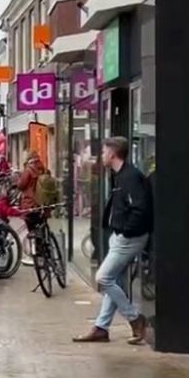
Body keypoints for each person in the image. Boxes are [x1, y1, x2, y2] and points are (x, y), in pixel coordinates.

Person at [73, 137, 151, 345]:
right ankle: (101, 327)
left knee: (103, 278)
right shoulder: (120, 176)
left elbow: (140, 209)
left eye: (104, 151)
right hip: (120, 237)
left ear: (113, 154)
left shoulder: (130, 177)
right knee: (114, 281)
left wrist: (126, 232)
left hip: (128, 238)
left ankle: (135, 318)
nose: (102, 156)